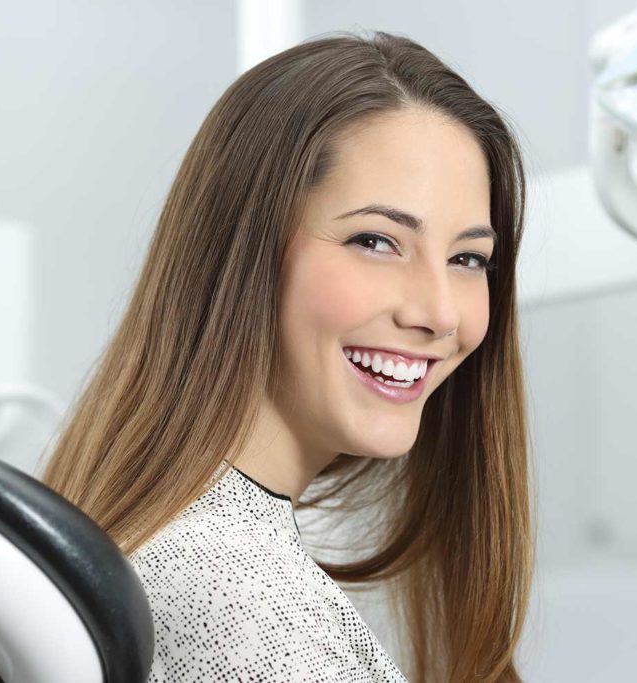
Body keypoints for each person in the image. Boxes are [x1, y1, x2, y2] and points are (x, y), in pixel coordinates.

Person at [36, 30, 534, 682]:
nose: (440, 312)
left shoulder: (192, 554)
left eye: (468, 258)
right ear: (243, 254)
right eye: (377, 241)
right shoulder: (242, 595)